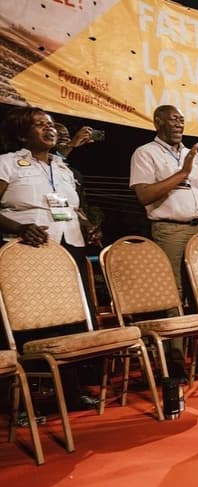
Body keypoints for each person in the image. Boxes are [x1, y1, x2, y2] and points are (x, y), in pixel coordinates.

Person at [0, 105, 99, 409]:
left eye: (51, 124)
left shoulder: (63, 167)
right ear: (22, 134)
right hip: (27, 251)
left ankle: (70, 392)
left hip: (68, 249)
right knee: (33, 323)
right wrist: (19, 228)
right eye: (40, 124)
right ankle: (23, 400)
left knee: (71, 320)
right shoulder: (7, 163)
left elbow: (70, 207)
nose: (50, 129)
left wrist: (87, 225)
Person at [129, 105, 198, 379]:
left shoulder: (192, 154)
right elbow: (144, 195)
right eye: (173, 119)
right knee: (174, 294)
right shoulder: (145, 153)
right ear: (158, 122)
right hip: (170, 229)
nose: (180, 123)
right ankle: (175, 361)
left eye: (182, 119)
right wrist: (182, 174)